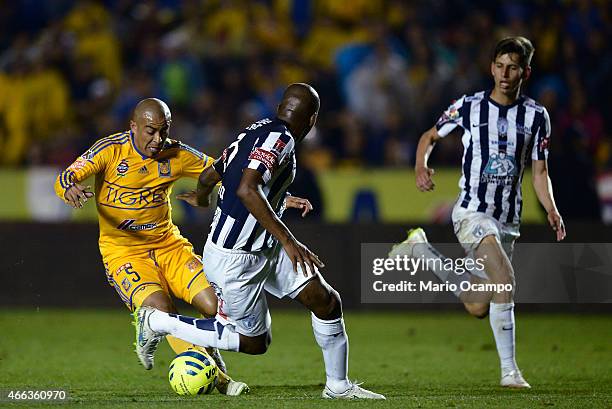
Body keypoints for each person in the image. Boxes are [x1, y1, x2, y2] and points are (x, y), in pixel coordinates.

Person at [134, 83, 386, 400]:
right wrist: (290, 240)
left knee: (325, 300)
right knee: (254, 342)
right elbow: (246, 190)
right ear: (312, 120)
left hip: (264, 245)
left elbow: (214, 173)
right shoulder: (281, 140)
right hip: (235, 257)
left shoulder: (256, 130)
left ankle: (338, 386)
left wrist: (204, 197)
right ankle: (157, 321)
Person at [390, 37, 566, 388]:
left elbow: (540, 171)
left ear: (525, 72)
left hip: (508, 221)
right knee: (505, 279)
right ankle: (509, 373)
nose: (505, 73)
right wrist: (420, 167)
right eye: (500, 65)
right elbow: (429, 136)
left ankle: (420, 249)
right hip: (472, 212)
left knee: (477, 304)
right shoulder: (469, 106)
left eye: (513, 67)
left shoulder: (536, 116)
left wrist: (552, 209)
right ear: (491, 68)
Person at [53, 98, 248, 396]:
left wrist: (277, 199)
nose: (158, 140)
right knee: (162, 309)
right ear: (133, 127)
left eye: (163, 131)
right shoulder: (110, 149)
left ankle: (202, 350)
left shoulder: (177, 153)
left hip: (170, 247)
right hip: (124, 254)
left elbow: (225, 172)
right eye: (150, 131)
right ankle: (220, 379)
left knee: (216, 307)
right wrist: (69, 187)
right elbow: (67, 175)